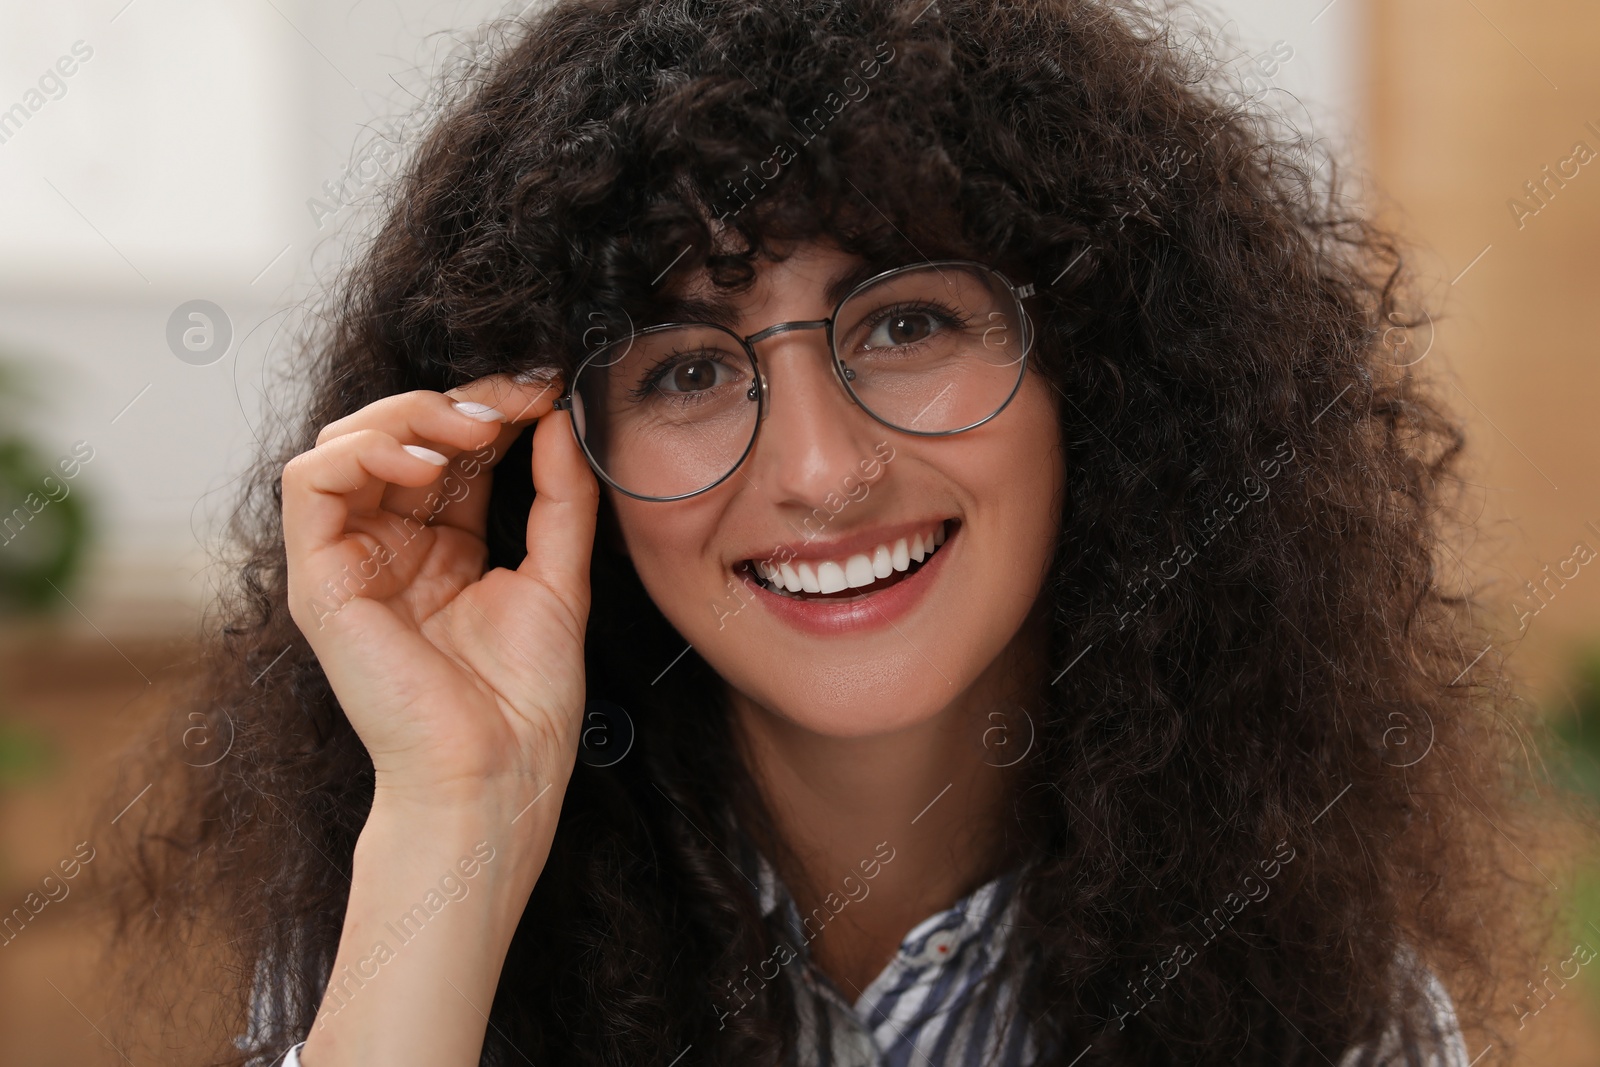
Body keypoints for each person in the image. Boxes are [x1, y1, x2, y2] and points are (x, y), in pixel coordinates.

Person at [98, 1, 1556, 1064]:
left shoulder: (1326, 1002)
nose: (817, 470)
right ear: (556, 454)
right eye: (682, 367)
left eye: (910, 322)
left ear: (1103, 383)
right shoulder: (408, 931)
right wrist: (459, 813)